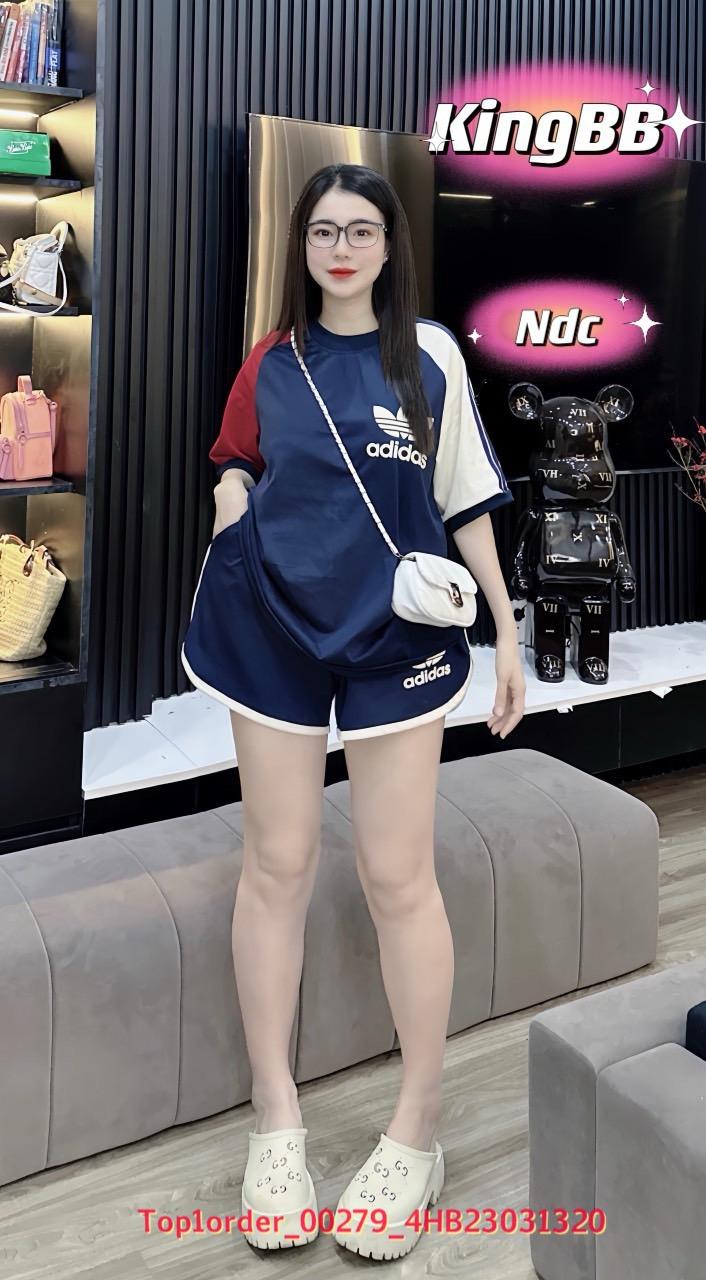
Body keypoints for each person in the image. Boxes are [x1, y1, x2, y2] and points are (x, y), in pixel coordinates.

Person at [181, 163, 526, 1260]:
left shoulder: (429, 356)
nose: (340, 248)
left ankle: (417, 1126)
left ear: (389, 245)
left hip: (397, 637)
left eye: (361, 230)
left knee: (396, 874)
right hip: (270, 625)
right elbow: (235, 462)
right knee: (276, 864)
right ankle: (274, 1116)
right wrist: (232, 505)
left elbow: (465, 499)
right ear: (303, 243)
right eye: (323, 230)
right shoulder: (269, 361)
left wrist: (508, 631)